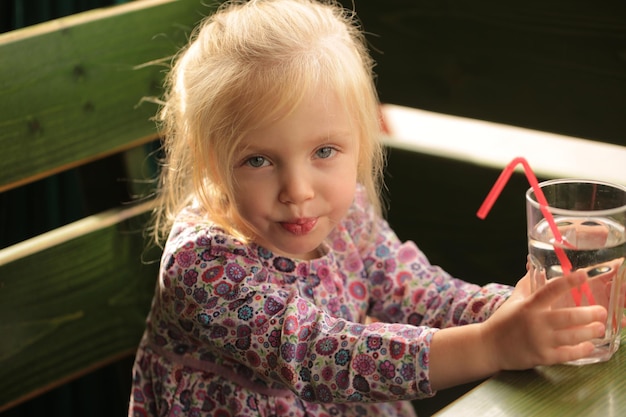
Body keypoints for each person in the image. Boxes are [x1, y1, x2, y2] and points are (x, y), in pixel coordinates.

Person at [128, 0, 608, 416]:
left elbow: (421, 294)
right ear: (210, 159)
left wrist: (519, 312)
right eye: (258, 160)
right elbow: (321, 355)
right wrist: (491, 344)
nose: (297, 190)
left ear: (360, 137)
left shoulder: (343, 213)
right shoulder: (202, 267)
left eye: (324, 152)